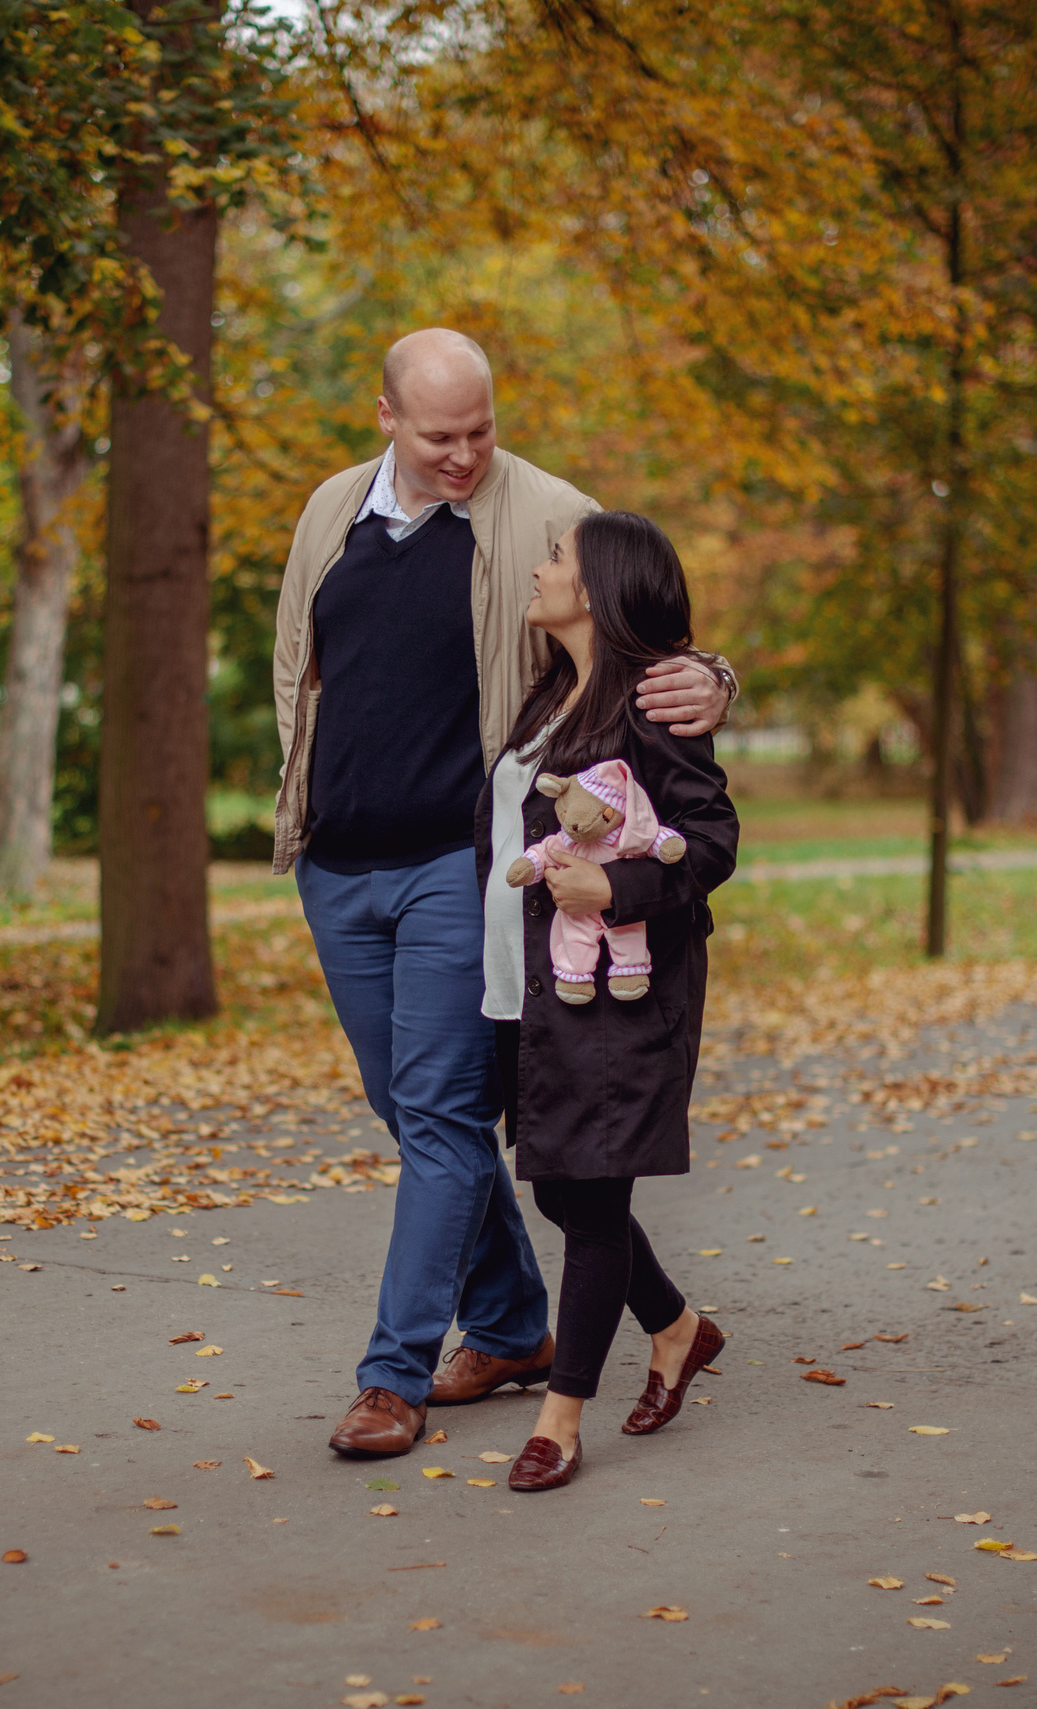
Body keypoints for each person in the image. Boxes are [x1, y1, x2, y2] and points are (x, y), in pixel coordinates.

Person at [272, 329, 736, 1458]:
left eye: (481, 430)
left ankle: (391, 1376)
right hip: (339, 866)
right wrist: (301, 811)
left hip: (458, 866)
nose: (466, 454)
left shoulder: (547, 514)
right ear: (386, 416)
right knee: (408, 1108)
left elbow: (643, 621)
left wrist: (716, 677)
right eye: (440, 435)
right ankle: (516, 1322)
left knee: (440, 1113)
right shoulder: (331, 510)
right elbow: (299, 666)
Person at [482, 510, 735, 1491]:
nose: (540, 571)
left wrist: (616, 888)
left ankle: (560, 1418)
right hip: (534, 987)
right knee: (558, 1186)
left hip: (621, 990)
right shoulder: (553, 693)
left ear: (593, 588)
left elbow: (709, 839)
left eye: (555, 559)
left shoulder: (649, 703)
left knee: (591, 1199)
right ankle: (675, 1326)